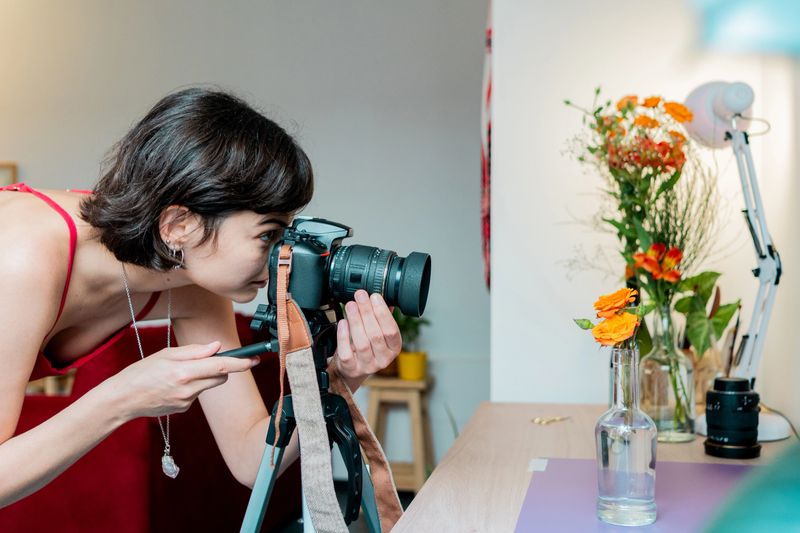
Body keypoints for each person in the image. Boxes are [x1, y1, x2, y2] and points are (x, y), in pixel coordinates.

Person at [0, 87, 402, 507]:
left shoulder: (190, 283)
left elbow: (251, 460)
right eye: (268, 235)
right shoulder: (22, 258)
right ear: (178, 225)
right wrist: (122, 397)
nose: (281, 258)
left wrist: (341, 378)